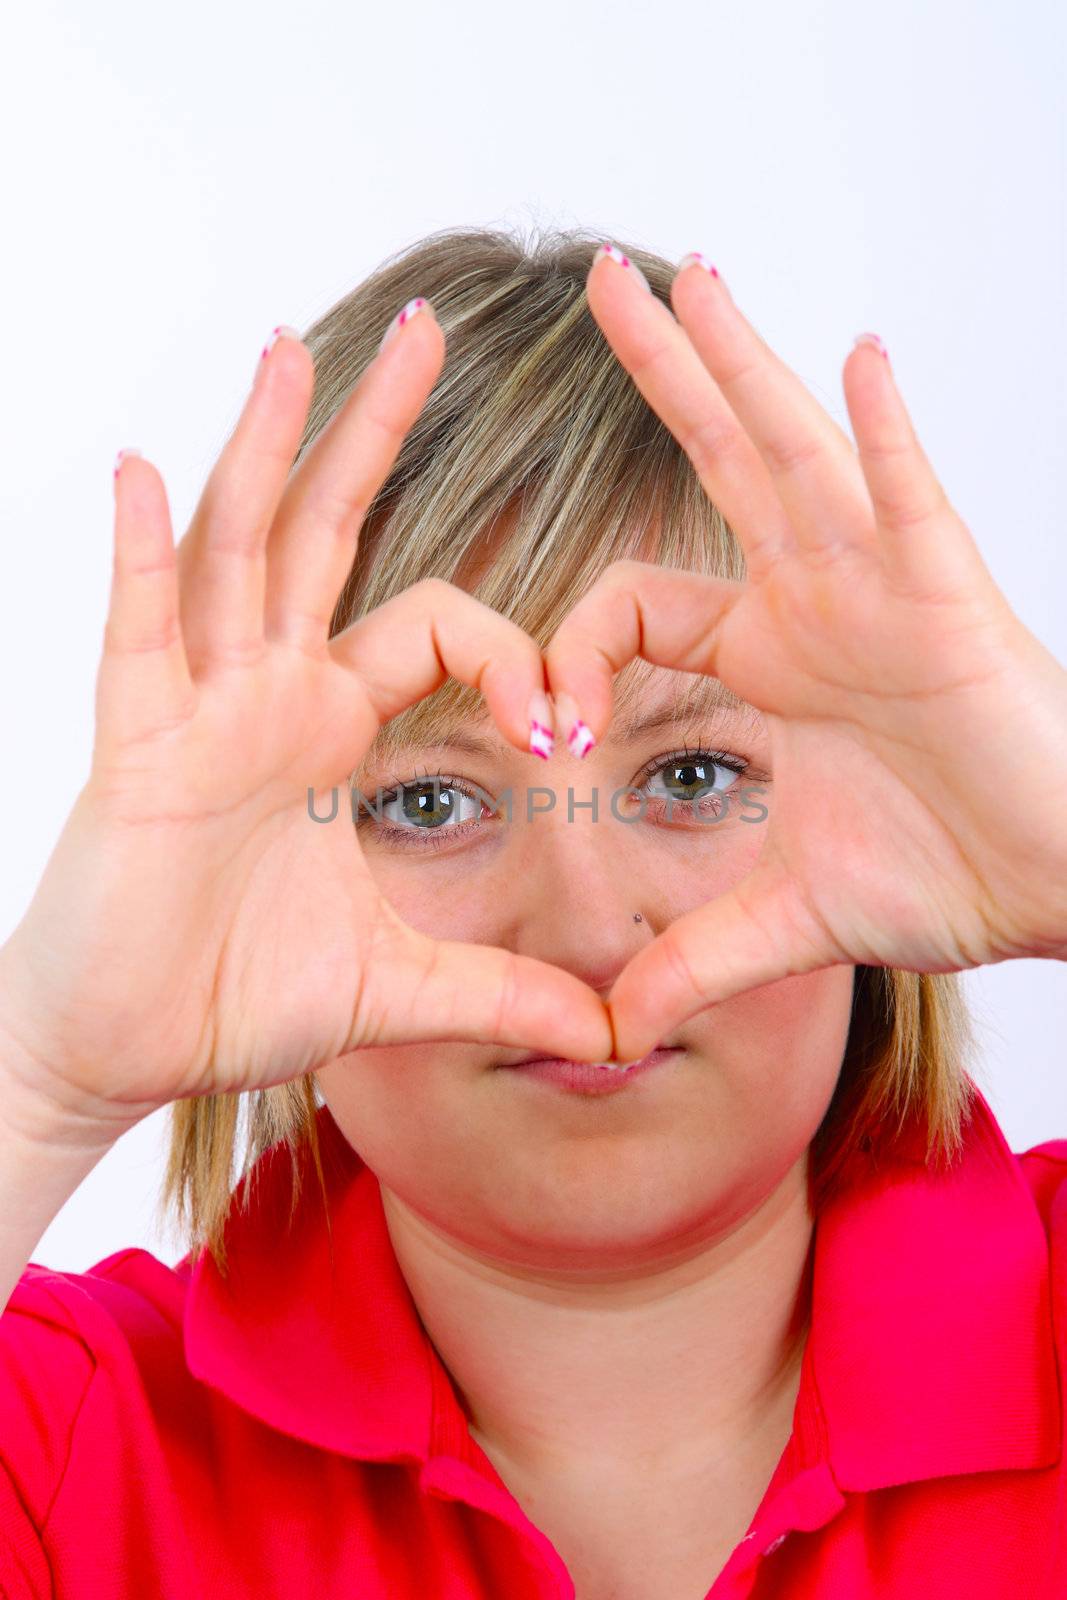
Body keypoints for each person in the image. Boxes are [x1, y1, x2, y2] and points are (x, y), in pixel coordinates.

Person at [1, 225, 1066, 1600]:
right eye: (430, 802)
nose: (584, 925)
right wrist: (34, 1078)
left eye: (691, 774)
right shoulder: (67, 1445)